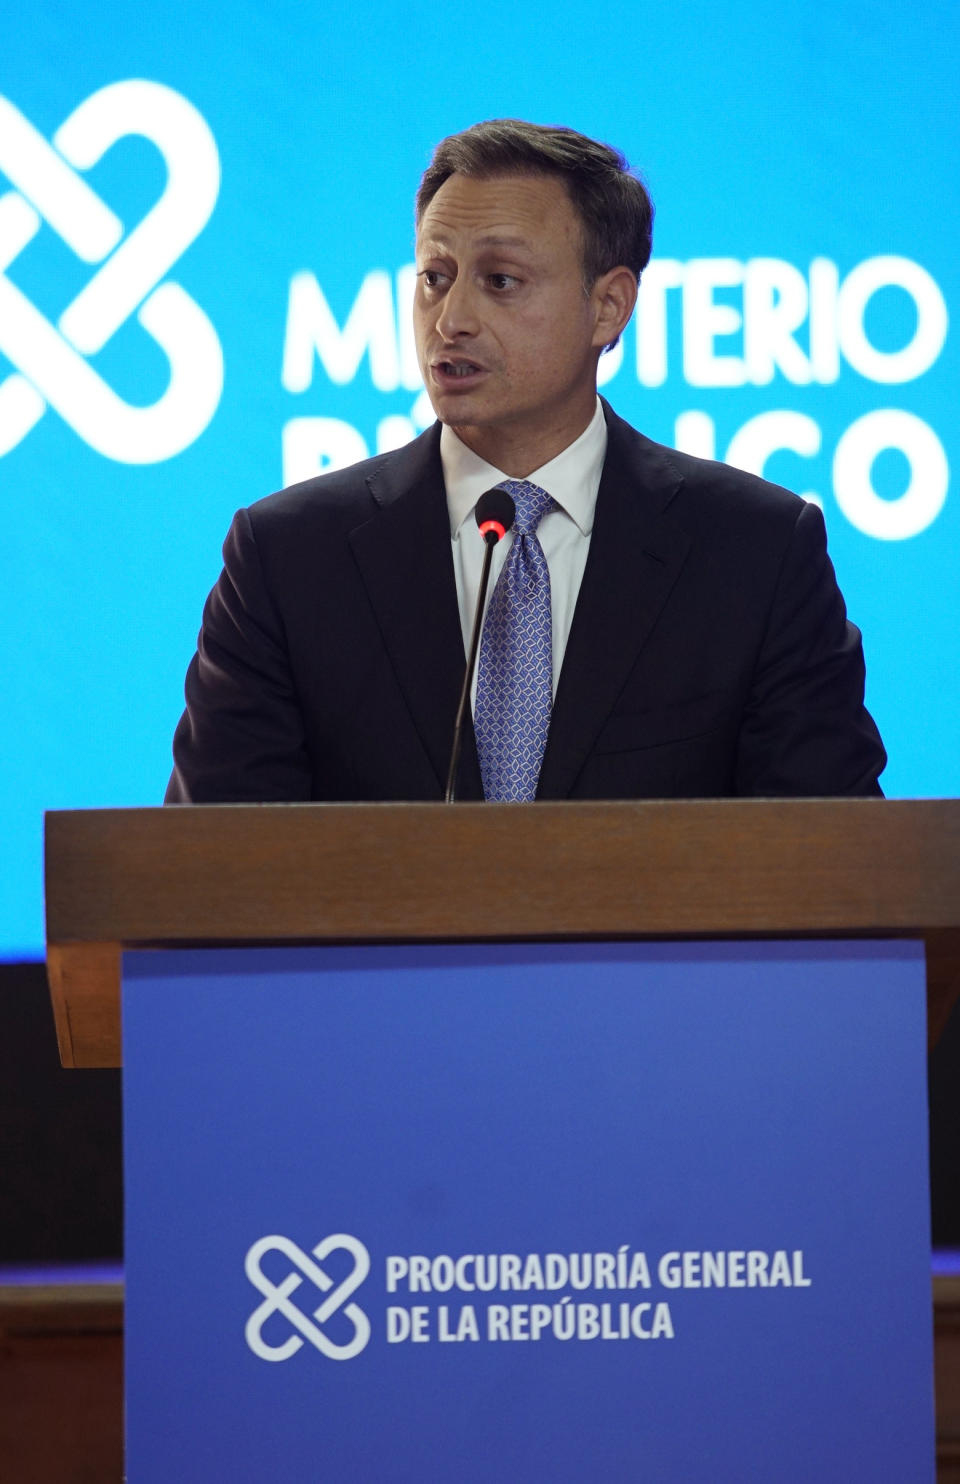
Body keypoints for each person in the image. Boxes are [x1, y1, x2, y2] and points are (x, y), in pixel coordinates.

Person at [165, 119, 885, 805]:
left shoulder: (754, 553)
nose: (450, 322)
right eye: (435, 278)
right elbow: (211, 874)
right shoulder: (289, 558)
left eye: (500, 280)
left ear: (608, 308)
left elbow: (835, 859)